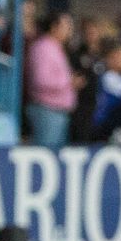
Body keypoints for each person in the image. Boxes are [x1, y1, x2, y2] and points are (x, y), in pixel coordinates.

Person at [25, 10, 77, 149]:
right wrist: (69, 82)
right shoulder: (43, 47)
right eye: (66, 26)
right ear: (54, 26)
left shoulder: (55, 47)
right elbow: (41, 80)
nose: (69, 30)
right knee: (45, 153)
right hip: (47, 111)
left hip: (58, 112)